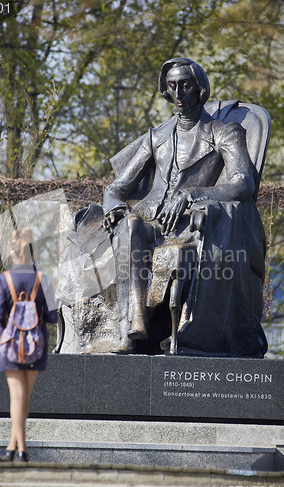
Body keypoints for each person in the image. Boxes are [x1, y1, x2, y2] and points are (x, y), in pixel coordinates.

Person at [103, 57, 268, 358]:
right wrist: (112, 207)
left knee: (132, 228)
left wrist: (193, 194)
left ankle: (139, 326)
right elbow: (115, 188)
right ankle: (133, 325)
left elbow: (243, 183)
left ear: (200, 88)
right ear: (166, 91)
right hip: (149, 221)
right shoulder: (156, 137)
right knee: (129, 225)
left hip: (185, 224)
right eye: (172, 86)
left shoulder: (223, 132)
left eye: (185, 85)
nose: (178, 93)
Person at [0, 228, 57, 462]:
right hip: (35, 346)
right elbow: (52, 317)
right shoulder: (44, 279)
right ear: (32, 251)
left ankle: (22, 449)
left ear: (14, 251)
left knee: (16, 398)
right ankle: (12, 447)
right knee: (24, 399)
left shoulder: (4, 278)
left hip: (10, 346)